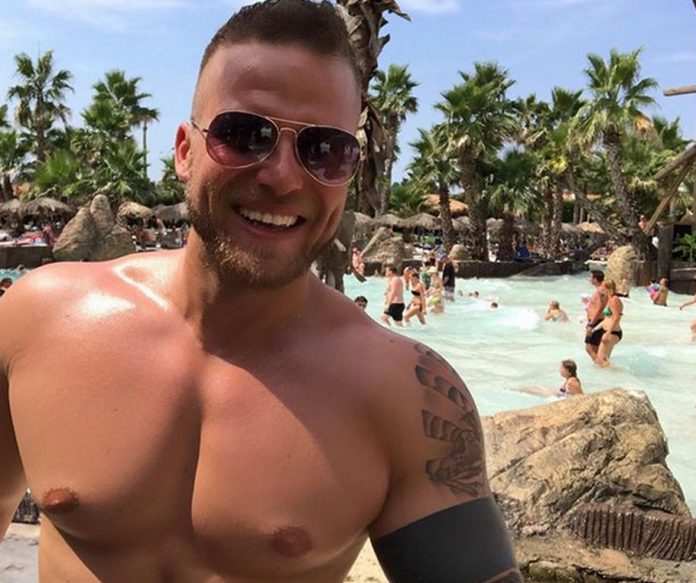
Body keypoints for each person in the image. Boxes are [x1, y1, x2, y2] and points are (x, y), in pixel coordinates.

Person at [0, 2, 522, 582]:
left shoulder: (405, 396)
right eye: (245, 135)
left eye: (325, 150)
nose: (282, 176)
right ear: (184, 151)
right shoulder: (36, 321)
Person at [593, 279, 624, 367]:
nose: (600, 288)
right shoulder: (610, 299)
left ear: (607, 288)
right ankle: (611, 373)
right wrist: (594, 329)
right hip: (609, 332)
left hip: (612, 332)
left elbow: (616, 318)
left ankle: (618, 372)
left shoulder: (614, 300)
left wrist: (608, 333)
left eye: (602, 286)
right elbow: (607, 319)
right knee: (603, 359)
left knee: (601, 360)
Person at [584, 270, 607, 363]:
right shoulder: (601, 290)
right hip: (596, 321)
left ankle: (603, 365)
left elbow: (600, 308)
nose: (589, 279)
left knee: (589, 348)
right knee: (595, 349)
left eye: (591, 277)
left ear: (595, 279)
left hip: (596, 321)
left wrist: (591, 324)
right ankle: (601, 366)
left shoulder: (600, 291)